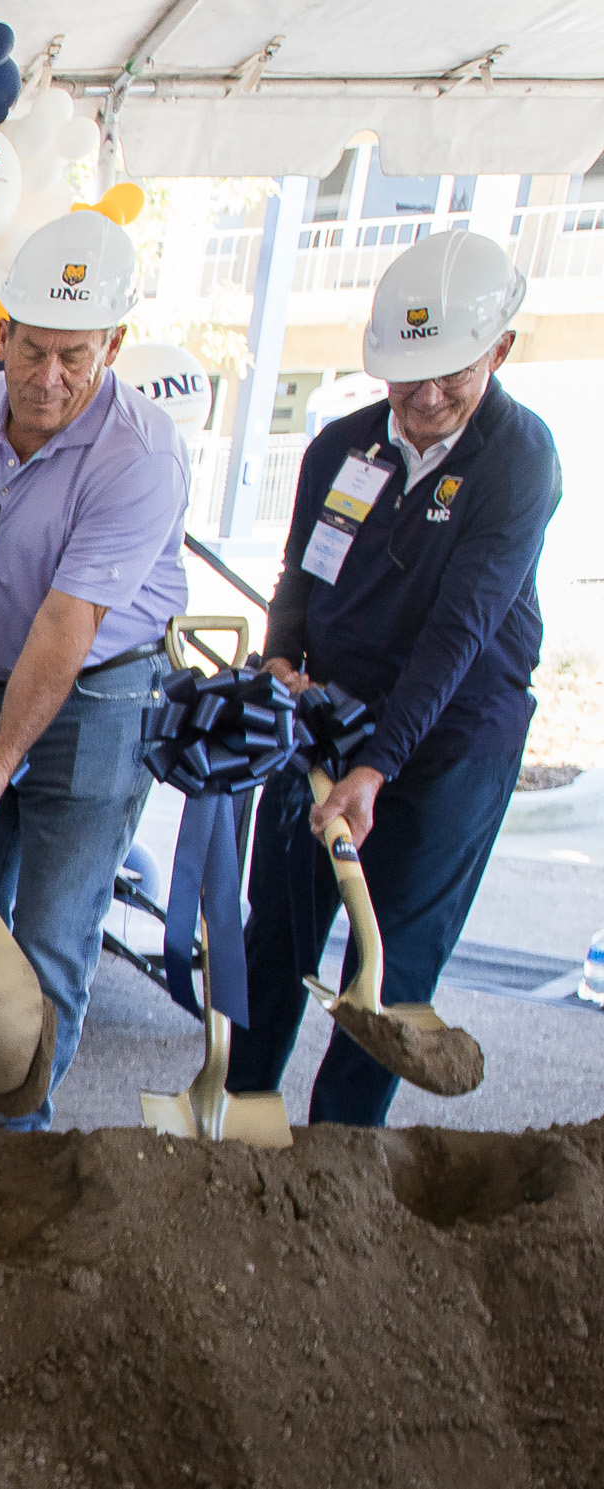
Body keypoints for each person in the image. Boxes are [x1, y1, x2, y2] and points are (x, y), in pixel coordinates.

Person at [234, 230, 559, 1126]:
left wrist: (378, 766)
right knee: (276, 930)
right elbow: (299, 573)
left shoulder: (520, 460)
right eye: (407, 372)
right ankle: (241, 1122)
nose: (424, 395)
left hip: (454, 733)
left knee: (391, 963)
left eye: (451, 372)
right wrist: (283, 659)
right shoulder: (340, 445)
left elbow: (460, 632)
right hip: (330, 716)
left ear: (500, 350)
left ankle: (339, 1152)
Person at [0, 211, 189, 1132]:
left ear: (114, 344)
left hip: (96, 702)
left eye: (77, 355)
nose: (50, 377)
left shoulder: (140, 455)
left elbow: (68, 626)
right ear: (2, 336)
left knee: (53, 937)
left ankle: (17, 1136)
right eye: (33, 352)